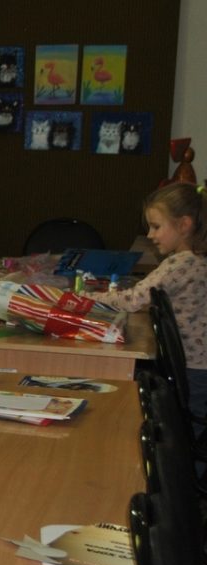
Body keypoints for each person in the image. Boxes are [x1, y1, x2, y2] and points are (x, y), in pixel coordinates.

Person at [86, 182, 207, 432]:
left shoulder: (181, 263)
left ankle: (187, 459)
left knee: (192, 429)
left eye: (156, 226)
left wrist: (87, 297)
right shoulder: (197, 259)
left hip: (195, 367)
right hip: (199, 364)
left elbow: (134, 300)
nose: (150, 235)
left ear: (184, 225)